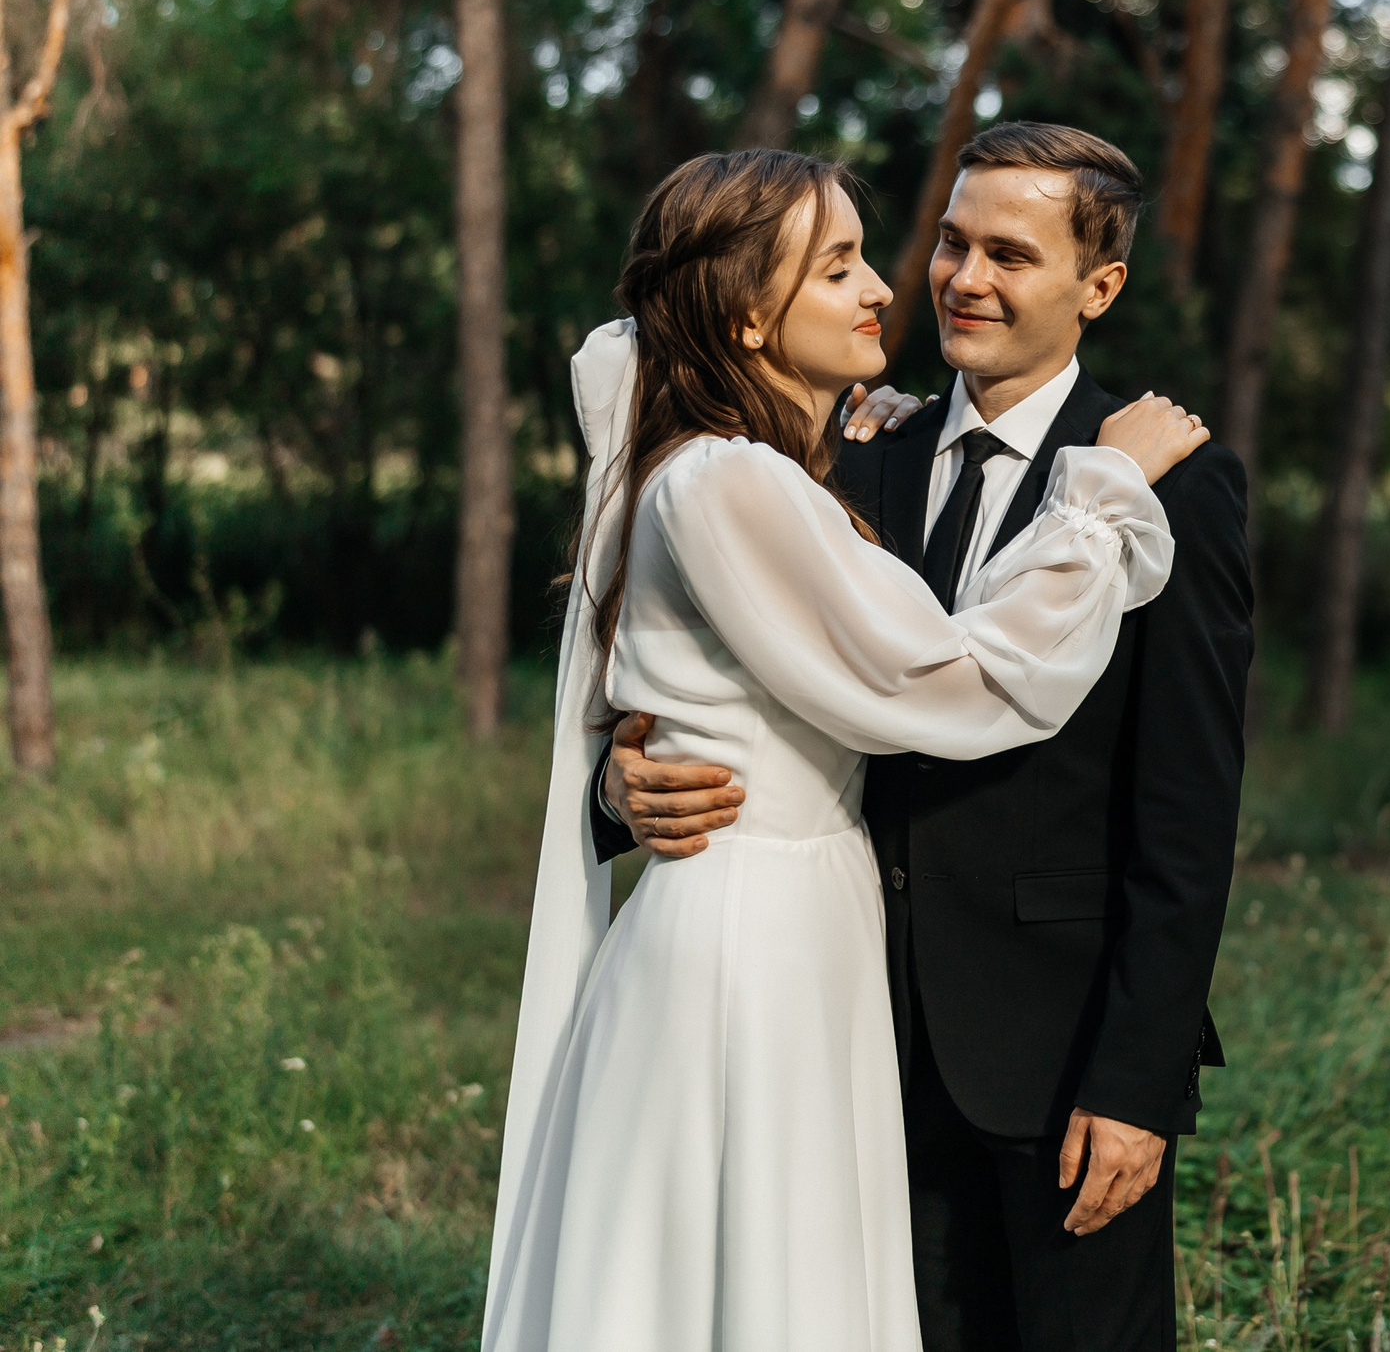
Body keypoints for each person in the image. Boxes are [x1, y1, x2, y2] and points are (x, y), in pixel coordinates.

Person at [482, 149, 1211, 1352]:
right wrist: (1101, 498)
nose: (918, 283)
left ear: (1100, 286)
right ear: (746, 313)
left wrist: (1139, 1077)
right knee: (744, 1280)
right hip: (776, 954)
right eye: (854, 263)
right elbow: (947, 680)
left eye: (1007, 253)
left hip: (1007, 1025)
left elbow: (1186, 805)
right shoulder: (783, 471)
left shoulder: (834, 459)